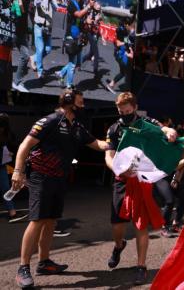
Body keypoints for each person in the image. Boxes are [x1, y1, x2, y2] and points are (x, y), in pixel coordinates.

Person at [12, 89, 110, 288]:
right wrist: (17, 171)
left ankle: (44, 262)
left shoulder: (78, 127)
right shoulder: (50, 121)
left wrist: (118, 140)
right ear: (69, 102)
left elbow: (98, 145)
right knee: (37, 220)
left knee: (50, 221)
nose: (84, 106)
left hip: (59, 179)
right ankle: (23, 267)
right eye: (80, 102)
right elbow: (24, 145)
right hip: (40, 177)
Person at [104, 92, 177, 285]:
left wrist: (169, 132)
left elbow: (164, 130)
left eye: (127, 111)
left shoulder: (147, 122)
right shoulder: (114, 128)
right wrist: (119, 170)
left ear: (135, 108)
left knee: (140, 224)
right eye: (121, 111)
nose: (124, 115)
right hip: (121, 180)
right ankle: (119, 246)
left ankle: (141, 266)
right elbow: (108, 156)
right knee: (117, 225)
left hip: (142, 180)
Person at [57, 0, 90, 89]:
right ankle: (69, 85)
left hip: (78, 37)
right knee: (72, 64)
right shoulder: (71, 3)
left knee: (76, 63)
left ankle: (61, 73)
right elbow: (79, 14)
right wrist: (88, 7)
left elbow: (83, 20)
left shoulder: (81, 5)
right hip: (71, 36)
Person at [0, 113, 28, 223]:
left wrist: (9, 152)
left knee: (6, 188)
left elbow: (10, 144)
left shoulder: (6, 134)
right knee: (5, 188)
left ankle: (12, 213)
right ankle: (12, 212)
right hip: (2, 163)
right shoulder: (5, 133)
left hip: (2, 164)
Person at [29, 0, 58, 79]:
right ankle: (40, 72)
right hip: (39, 25)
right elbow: (36, 3)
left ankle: (34, 58)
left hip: (48, 28)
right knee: (40, 49)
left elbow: (56, 8)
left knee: (48, 49)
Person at [12, 0, 31, 92]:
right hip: (12, 31)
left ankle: (16, 82)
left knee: (25, 56)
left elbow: (23, 12)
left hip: (21, 33)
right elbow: (15, 12)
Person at [108, 17, 134, 91]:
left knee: (123, 72)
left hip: (121, 53)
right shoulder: (120, 30)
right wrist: (127, 43)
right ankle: (127, 90)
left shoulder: (125, 31)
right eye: (130, 25)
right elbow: (118, 43)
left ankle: (111, 85)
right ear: (126, 24)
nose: (131, 27)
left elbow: (126, 42)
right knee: (127, 71)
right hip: (119, 54)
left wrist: (129, 48)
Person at [81, 0, 102, 75]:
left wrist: (102, 37)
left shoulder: (99, 14)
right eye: (97, 6)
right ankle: (95, 70)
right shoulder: (90, 11)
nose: (98, 8)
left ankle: (79, 63)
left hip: (95, 33)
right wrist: (94, 21)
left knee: (91, 53)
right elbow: (88, 21)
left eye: (99, 7)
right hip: (88, 32)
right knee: (96, 53)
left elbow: (98, 26)